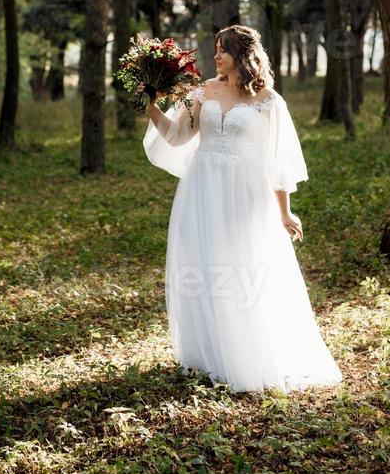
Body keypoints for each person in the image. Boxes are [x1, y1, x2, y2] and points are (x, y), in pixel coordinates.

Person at [142, 24, 343, 394]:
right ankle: (210, 354)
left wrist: (285, 213)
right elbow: (178, 136)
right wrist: (152, 106)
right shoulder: (203, 90)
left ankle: (247, 351)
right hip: (201, 190)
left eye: (222, 50)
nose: (215, 56)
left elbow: (277, 162)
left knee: (244, 269)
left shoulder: (268, 100)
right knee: (204, 267)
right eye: (215, 50)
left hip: (246, 195)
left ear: (242, 54)